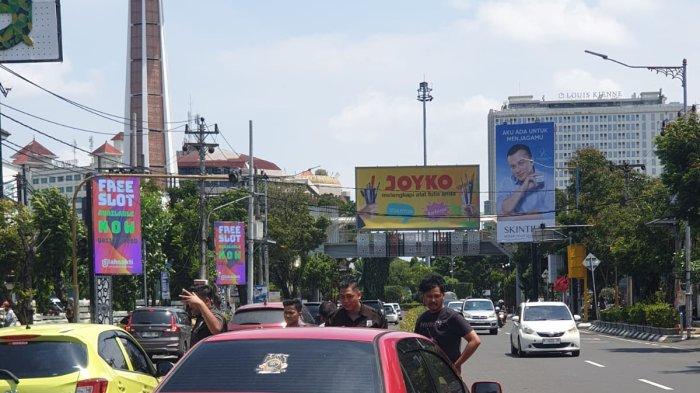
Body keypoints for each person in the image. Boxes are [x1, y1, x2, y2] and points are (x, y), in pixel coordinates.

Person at [414, 274, 480, 372]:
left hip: (449, 377)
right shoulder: (422, 319)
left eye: (436, 296)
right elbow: (415, 344)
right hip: (428, 375)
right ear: (423, 297)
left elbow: (475, 341)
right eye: (429, 296)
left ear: (443, 296)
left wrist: (457, 364)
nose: (433, 300)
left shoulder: (452, 317)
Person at [497, 144, 554, 219]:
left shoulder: (548, 180)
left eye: (521, 163)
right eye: (513, 166)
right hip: (513, 230)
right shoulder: (507, 183)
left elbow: (550, 215)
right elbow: (502, 212)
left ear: (531, 161)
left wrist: (516, 217)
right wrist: (524, 187)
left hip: (542, 229)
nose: (517, 170)